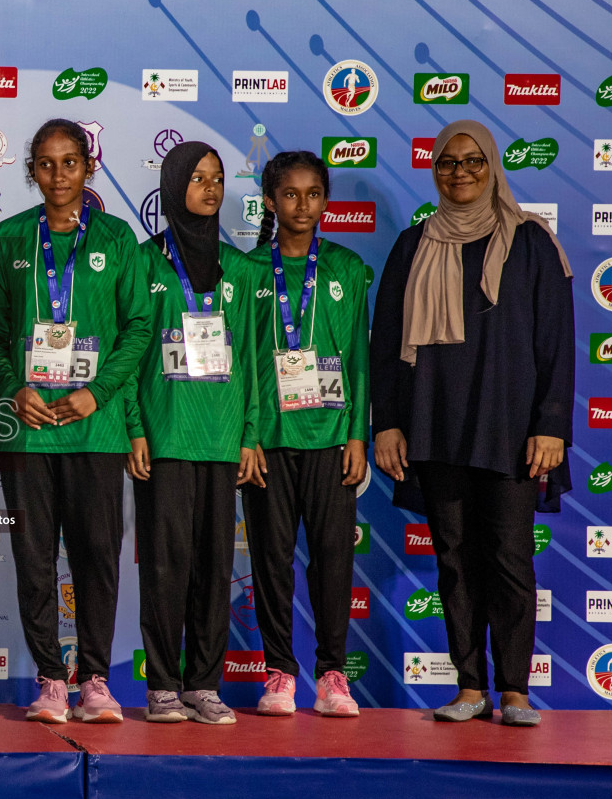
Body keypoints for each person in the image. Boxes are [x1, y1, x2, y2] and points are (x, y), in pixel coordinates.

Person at [371, 119, 573, 729]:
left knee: (510, 557)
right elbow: (386, 348)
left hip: (511, 430)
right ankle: (469, 686)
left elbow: (556, 343)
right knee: (454, 559)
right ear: (435, 171)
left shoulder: (532, 242)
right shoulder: (413, 246)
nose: (460, 173)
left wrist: (551, 425)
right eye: (448, 163)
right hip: (436, 426)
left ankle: (514, 689)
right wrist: (389, 425)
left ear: (492, 168)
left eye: (473, 162)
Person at [0, 119, 149, 725]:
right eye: (46, 164)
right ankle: (52, 679)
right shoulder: (7, 239)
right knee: (33, 560)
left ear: (88, 167)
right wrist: (12, 387)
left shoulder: (117, 238)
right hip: (27, 430)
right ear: (32, 171)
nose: (58, 175)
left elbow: (138, 329)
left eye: (70, 163)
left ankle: (96, 679)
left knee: (96, 557)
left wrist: (97, 393)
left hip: (94, 430)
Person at [132, 140, 263, 726]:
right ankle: (162, 684)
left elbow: (255, 362)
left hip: (220, 438)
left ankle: (203, 684)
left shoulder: (239, 268)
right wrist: (136, 428)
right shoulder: (144, 261)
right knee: (165, 564)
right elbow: (129, 353)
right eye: (196, 178)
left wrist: (250, 434)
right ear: (172, 185)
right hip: (165, 437)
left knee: (214, 567)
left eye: (216, 179)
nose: (209, 189)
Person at [242, 151, 371, 718]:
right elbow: (242, 362)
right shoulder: (248, 271)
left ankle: (333, 674)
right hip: (269, 440)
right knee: (271, 561)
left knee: (332, 560)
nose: (302, 205)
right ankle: (279, 674)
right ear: (270, 201)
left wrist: (358, 434)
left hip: (330, 437)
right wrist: (247, 435)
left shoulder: (345, 267)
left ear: (326, 200)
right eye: (289, 194)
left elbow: (361, 360)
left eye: (313, 193)